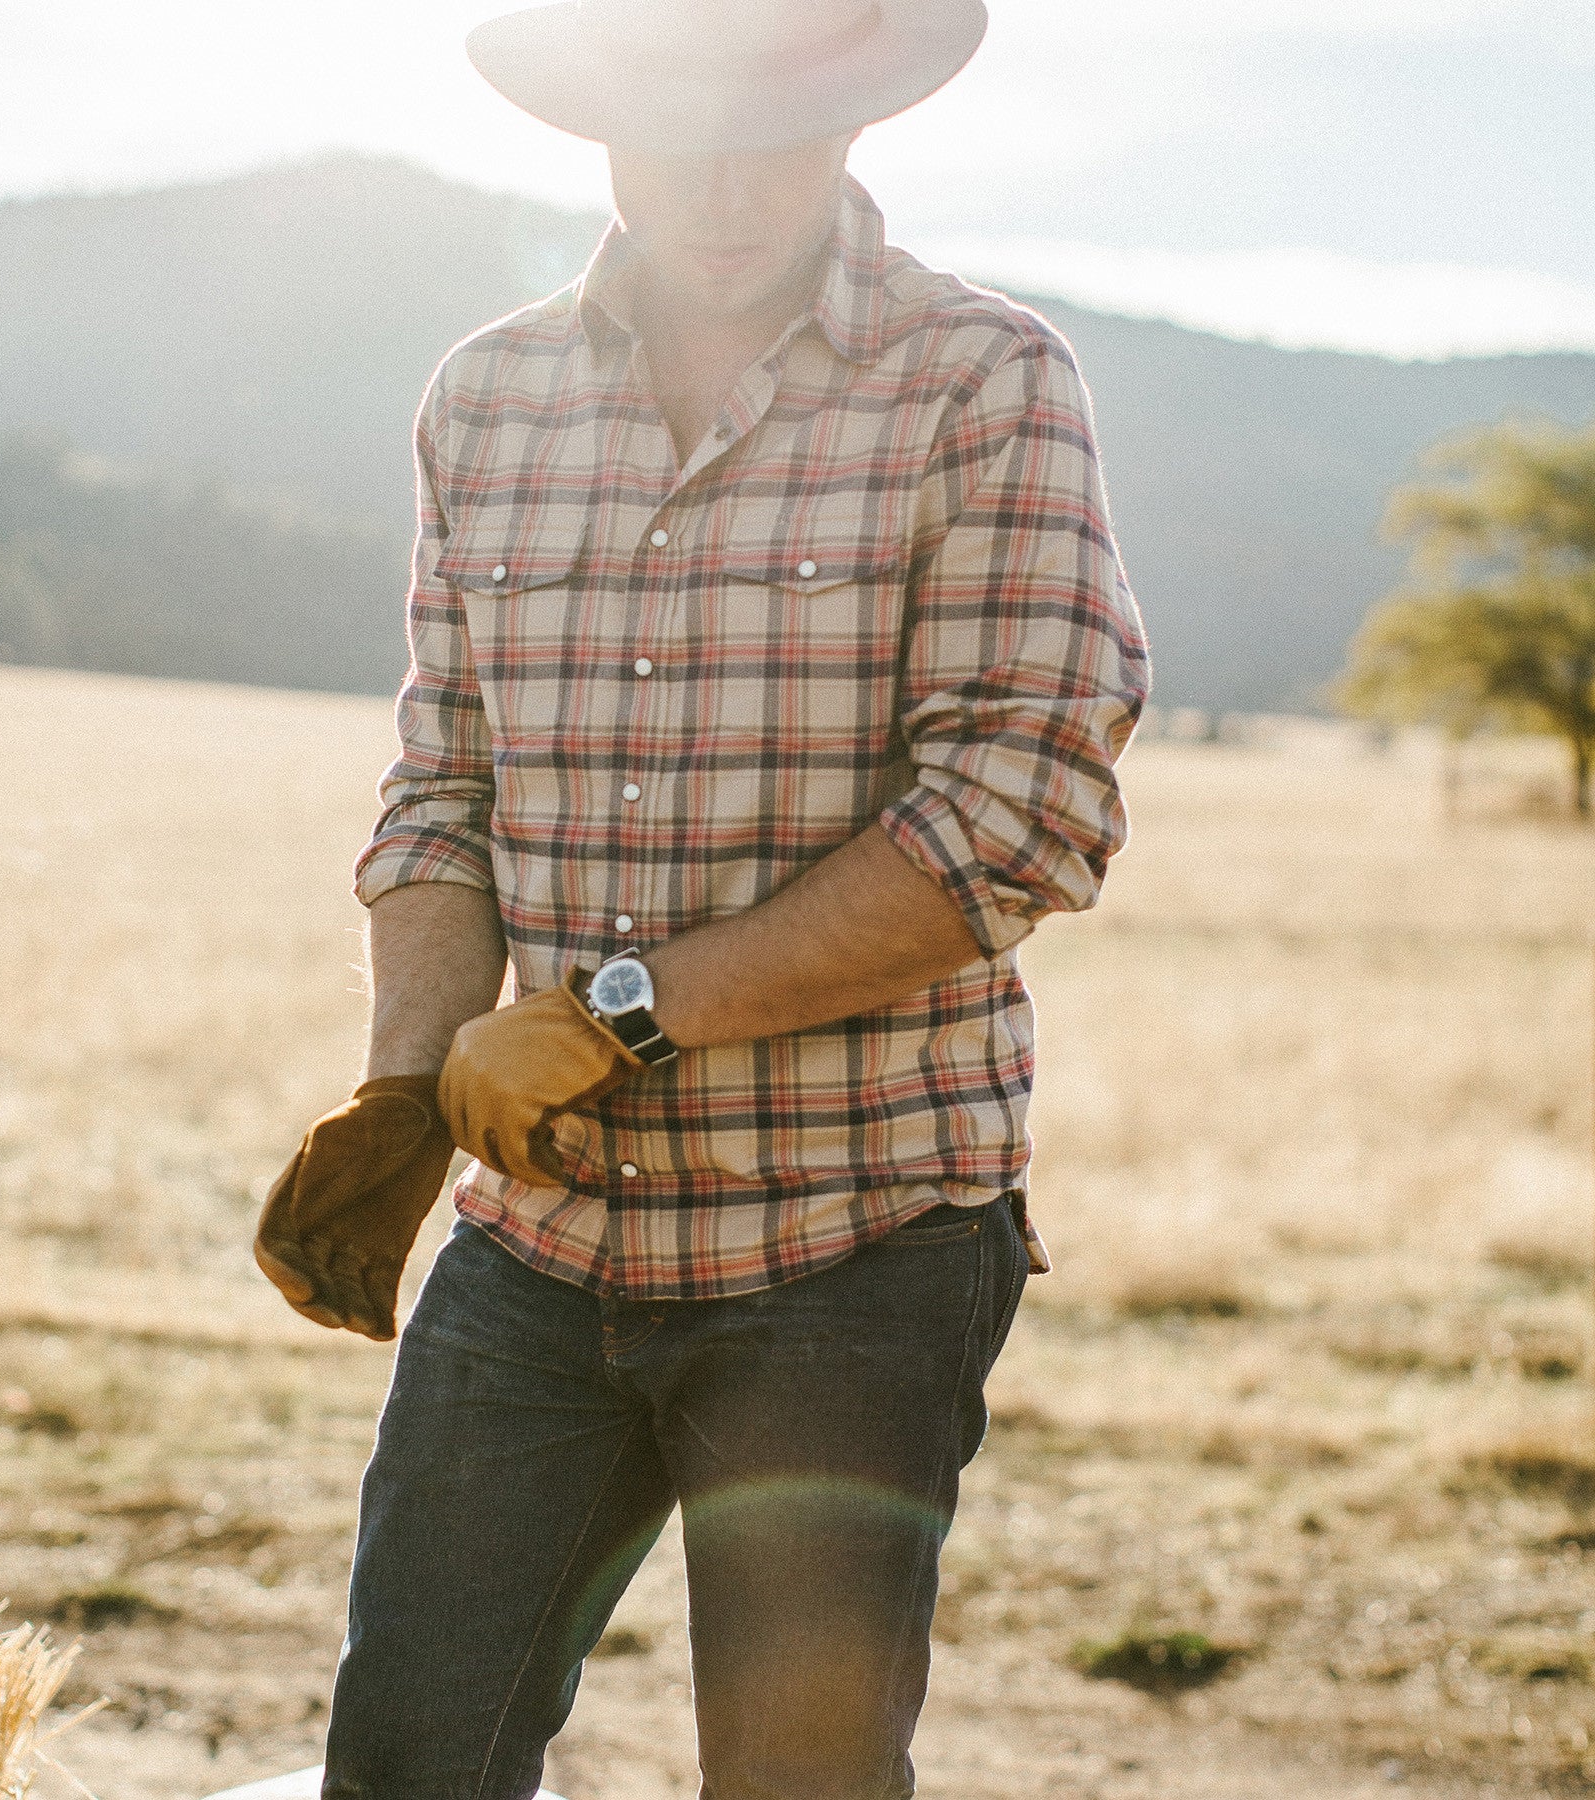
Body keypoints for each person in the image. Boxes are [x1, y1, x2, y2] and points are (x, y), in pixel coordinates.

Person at [254, 2, 1150, 1795]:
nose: (727, 191)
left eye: (774, 138)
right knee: (409, 1760)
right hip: (538, 1243)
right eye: (680, 139)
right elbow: (443, 792)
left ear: (858, 116)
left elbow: (1022, 811)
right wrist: (412, 1082)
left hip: (855, 1243)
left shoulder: (981, 380)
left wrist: (613, 1020)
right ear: (599, 121)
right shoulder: (487, 397)